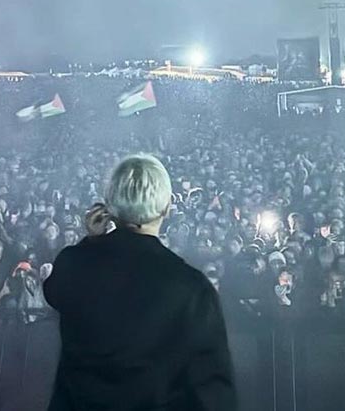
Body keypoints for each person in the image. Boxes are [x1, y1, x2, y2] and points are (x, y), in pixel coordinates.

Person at [44, 154, 236, 410]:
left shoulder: (74, 262)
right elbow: (213, 390)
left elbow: (54, 292)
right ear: (167, 207)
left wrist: (91, 241)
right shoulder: (191, 288)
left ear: (110, 206)